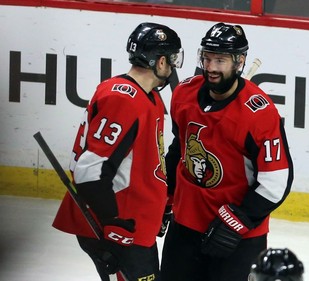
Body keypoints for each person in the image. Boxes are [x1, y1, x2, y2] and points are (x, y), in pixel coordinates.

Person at [160, 22, 293, 281]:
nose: (210, 68)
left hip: (237, 239)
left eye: (220, 60)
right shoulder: (184, 94)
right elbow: (180, 150)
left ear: (239, 61)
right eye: (207, 58)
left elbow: (276, 180)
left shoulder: (259, 114)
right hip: (185, 228)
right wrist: (164, 199)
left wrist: (237, 221)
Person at [52, 22, 183, 281]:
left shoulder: (149, 97)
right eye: (172, 59)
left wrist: (159, 207)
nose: (174, 66)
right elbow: (90, 171)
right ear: (160, 62)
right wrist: (112, 221)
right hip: (120, 228)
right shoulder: (124, 100)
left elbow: (146, 163)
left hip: (136, 224)